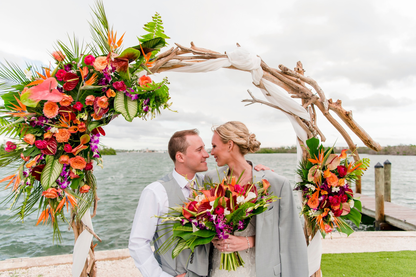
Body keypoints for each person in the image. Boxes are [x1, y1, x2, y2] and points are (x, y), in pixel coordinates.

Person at [129, 129, 269, 277]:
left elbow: (238, 170)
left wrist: (258, 172)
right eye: (199, 150)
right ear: (180, 157)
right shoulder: (155, 191)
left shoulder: (212, 184)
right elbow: (138, 243)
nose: (207, 154)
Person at [204, 121, 309, 277]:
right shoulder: (211, 178)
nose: (211, 153)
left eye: (214, 146)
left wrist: (248, 241)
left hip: (259, 268)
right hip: (218, 268)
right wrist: (213, 236)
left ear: (230, 145)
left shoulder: (275, 183)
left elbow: (290, 236)